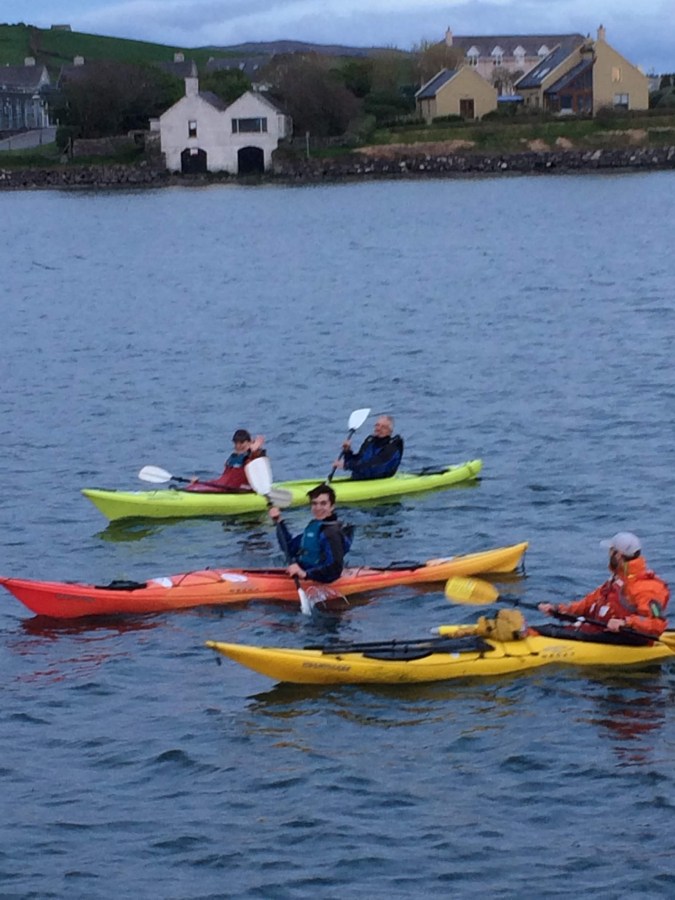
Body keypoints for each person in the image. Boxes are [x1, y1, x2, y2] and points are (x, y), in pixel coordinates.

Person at [538, 532, 669, 641]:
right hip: (601, 632)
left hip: (625, 639)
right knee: (543, 630)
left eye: (611, 551)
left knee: (548, 632)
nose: (608, 554)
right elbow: (586, 605)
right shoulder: (616, 580)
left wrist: (625, 623)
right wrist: (558, 609)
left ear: (617, 555)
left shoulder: (647, 587)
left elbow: (657, 624)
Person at [268, 483, 353, 583]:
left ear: (332, 506)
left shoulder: (332, 533)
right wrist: (279, 522)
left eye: (323, 503)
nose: (318, 508)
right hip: (307, 574)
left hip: (320, 579)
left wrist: (305, 574)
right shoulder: (315, 527)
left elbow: (335, 569)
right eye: (314, 503)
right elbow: (289, 549)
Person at [186, 429, 265, 493]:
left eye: (242, 442)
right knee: (192, 487)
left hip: (236, 490)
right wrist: (199, 483)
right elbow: (225, 478)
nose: (238, 446)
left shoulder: (253, 456)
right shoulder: (233, 458)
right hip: (222, 486)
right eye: (236, 443)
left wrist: (254, 449)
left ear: (249, 442)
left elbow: (258, 458)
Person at [333, 414, 404, 480]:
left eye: (383, 427)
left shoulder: (392, 447)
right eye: (377, 425)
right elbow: (359, 461)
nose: (378, 429)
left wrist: (347, 465)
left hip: (380, 480)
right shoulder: (370, 441)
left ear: (390, 431)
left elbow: (375, 467)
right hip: (360, 480)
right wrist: (347, 451)